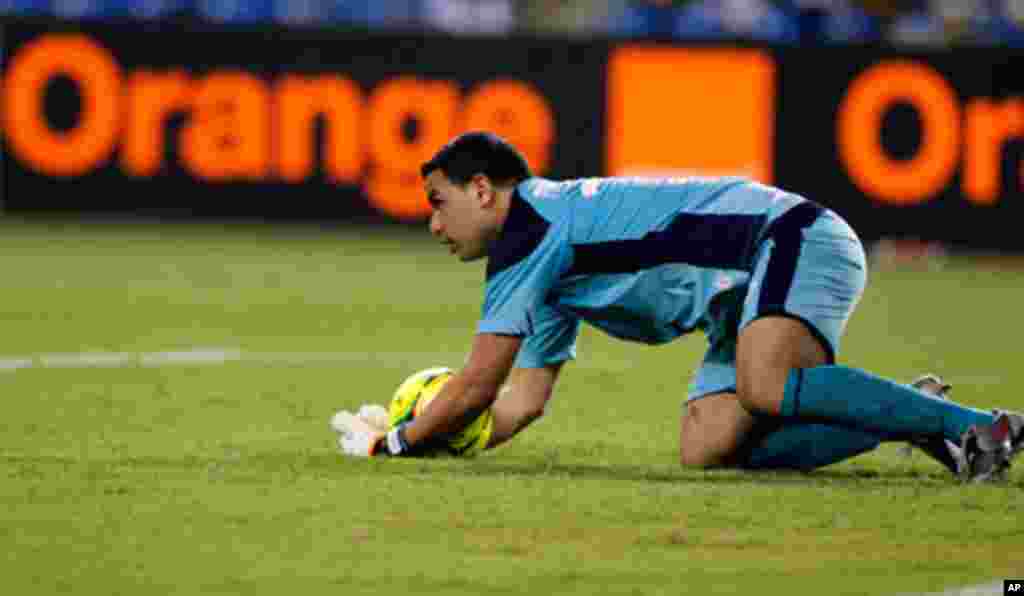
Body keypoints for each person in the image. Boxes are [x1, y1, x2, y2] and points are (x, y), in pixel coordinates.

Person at [338, 131, 1024, 482]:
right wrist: (448, 442)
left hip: (789, 238)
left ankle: (981, 429)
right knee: (708, 447)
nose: (433, 223)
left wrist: (395, 442)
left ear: (483, 191)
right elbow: (520, 402)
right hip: (739, 290)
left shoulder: (529, 234)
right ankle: (908, 414)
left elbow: (477, 385)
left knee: (765, 387)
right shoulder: (541, 261)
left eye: (438, 203)